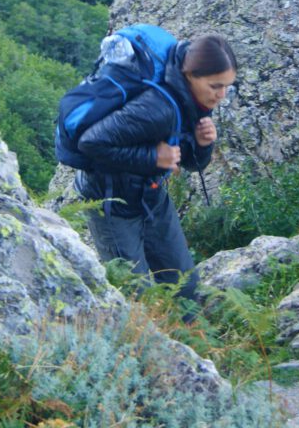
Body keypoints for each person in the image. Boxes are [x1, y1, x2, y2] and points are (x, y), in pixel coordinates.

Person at [76, 32, 237, 317]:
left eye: (227, 87)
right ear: (190, 75)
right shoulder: (156, 107)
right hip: (112, 202)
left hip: (151, 196)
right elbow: (91, 143)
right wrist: (153, 157)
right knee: (136, 297)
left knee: (184, 287)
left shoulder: (195, 102)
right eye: (215, 86)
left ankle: (193, 352)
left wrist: (202, 145)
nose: (221, 95)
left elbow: (191, 163)